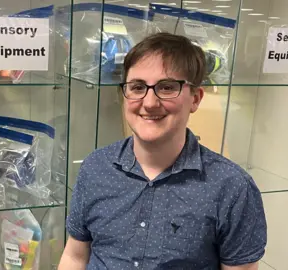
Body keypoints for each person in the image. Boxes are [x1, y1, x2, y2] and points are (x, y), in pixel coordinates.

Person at [58, 32, 267, 270]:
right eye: (137, 87)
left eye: (166, 87)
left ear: (195, 98)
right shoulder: (96, 167)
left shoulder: (232, 188)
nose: (149, 103)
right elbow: (75, 256)